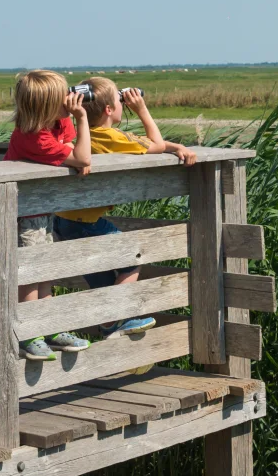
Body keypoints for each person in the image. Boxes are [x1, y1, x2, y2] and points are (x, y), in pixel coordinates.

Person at [54, 76, 197, 337]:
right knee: (132, 258)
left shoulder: (85, 134)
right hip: (85, 223)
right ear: (109, 110)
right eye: (120, 101)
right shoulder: (110, 137)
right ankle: (113, 320)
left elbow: (149, 143)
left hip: (64, 220)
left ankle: (116, 325)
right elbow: (155, 144)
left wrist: (177, 147)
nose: (124, 104)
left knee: (103, 279)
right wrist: (141, 109)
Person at [5, 69, 92, 361]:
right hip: (24, 214)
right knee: (30, 274)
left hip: (43, 210)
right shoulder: (33, 137)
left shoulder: (56, 123)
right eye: (63, 98)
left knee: (46, 270)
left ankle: (48, 327)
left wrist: (72, 140)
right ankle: (30, 333)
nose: (70, 100)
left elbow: (72, 148)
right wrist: (82, 118)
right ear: (45, 106)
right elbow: (81, 158)